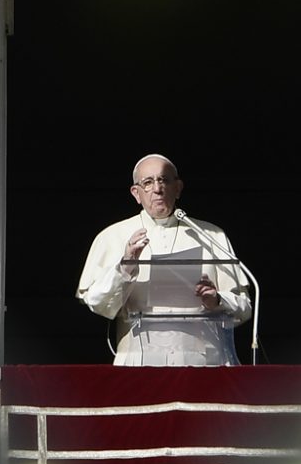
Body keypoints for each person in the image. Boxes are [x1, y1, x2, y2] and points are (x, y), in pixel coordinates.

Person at [76, 154, 252, 366]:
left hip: (205, 365)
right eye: (148, 183)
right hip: (139, 364)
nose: (157, 189)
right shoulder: (112, 236)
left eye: (164, 180)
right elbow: (97, 303)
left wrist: (216, 301)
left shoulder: (211, 235)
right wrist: (125, 266)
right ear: (136, 193)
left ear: (178, 188)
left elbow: (244, 307)